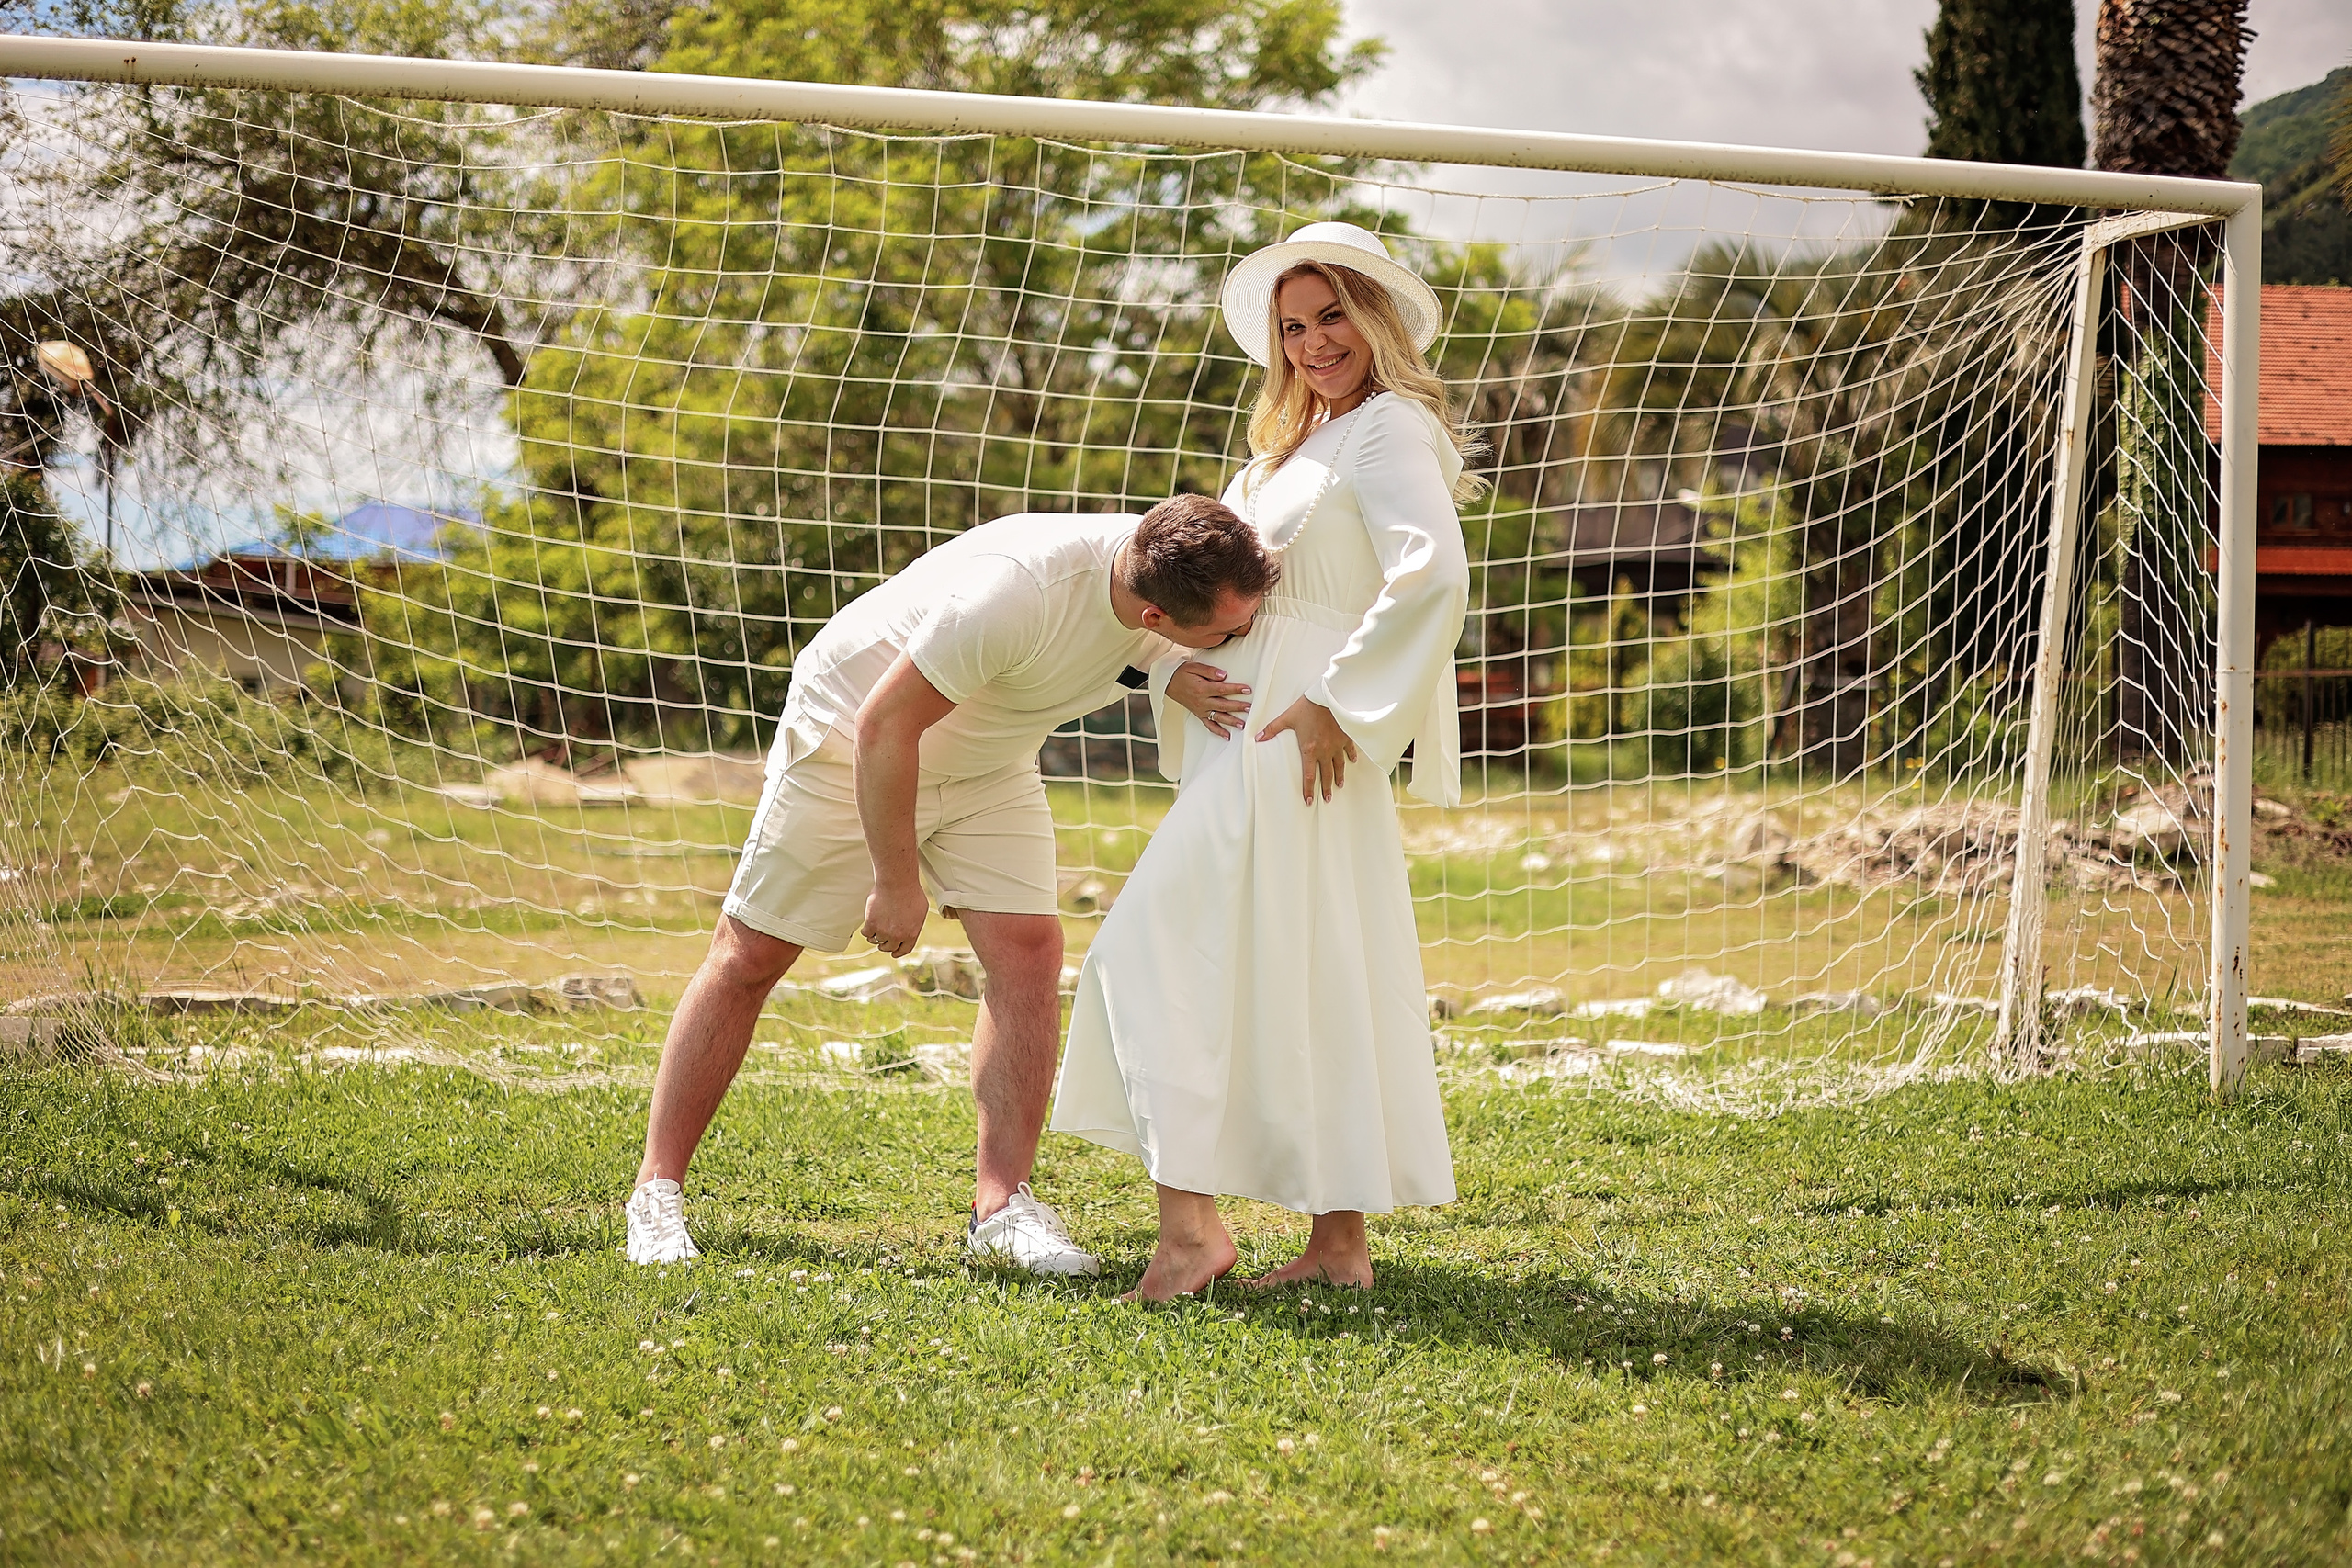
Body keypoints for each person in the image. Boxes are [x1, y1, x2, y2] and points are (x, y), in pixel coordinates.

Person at [625, 495, 1279, 1273]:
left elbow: (1116, 650)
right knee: (752, 954)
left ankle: (1000, 1208)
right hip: (853, 743)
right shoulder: (1010, 595)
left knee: (1030, 950)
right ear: (1155, 612)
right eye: (1228, 631)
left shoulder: (1158, 567)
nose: (1240, 636)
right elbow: (884, 726)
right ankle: (655, 1194)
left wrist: (1173, 675)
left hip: (986, 760)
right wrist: (895, 880)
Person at [1049, 221, 1482, 1301]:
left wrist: (1342, 702)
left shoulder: (1388, 430)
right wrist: (1170, 674)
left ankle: (1193, 1235)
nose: (1312, 343)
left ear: (1375, 314)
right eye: (1292, 326)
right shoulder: (1285, 451)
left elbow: (1430, 575)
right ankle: (1337, 1249)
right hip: (1240, 734)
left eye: (1331, 314)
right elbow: (1220, 601)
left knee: (1141, 951)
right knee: (1304, 972)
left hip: (1301, 740)